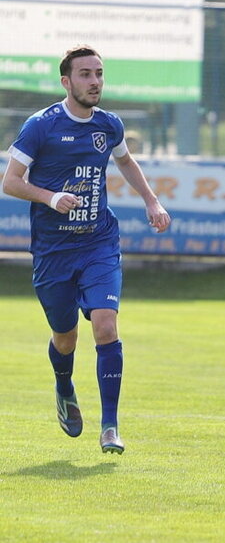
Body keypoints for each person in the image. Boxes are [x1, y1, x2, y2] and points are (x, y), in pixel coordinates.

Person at [1, 45, 171, 454]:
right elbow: (10, 181)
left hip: (98, 242)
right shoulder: (40, 126)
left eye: (98, 73)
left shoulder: (109, 125)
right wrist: (50, 197)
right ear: (66, 81)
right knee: (65, 336)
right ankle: (64, 387)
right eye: (85, 74)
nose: (94, 81)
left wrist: (152, 200)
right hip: (53, 252)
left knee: (106, 325)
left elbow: (126, 162)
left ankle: (110, 427)